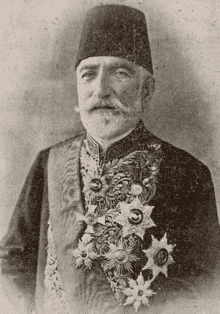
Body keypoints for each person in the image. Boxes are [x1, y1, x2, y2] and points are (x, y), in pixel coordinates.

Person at [0, 4, 220, 314]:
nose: (100, 90)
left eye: (119, 73)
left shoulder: (187, 173)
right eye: (88, 75)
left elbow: (206, 286)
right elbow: (11, 266)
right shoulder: (47, 163)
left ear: (146, 91)